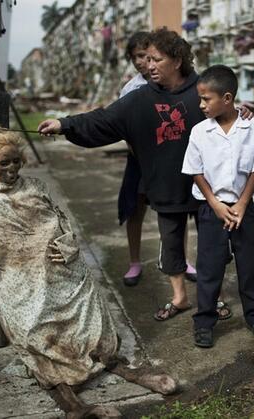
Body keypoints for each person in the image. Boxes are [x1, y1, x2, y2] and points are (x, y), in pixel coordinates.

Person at [0, 127, 177, 419]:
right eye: (4, 163)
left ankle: (124, 368)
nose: (12, 168)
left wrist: (67, 246)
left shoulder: (35, 187)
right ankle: (74, 406)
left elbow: (62, 223)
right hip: (21, 284)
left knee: (92, 326)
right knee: (39, 339)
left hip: (61, 272)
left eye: (15, 161)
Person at [38, 28, 239, 320]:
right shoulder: (139, 98)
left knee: (212, 246)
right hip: (165, 185)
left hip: (207, 188)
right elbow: (103, 118)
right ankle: (180, 298)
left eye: (157, 59)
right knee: (171, 244)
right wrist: (64, 123)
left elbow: (230, 114)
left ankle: (216, 297)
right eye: (147, 60)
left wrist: (242, 113)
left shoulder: (203, 90)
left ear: (177, 60)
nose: (149, 65)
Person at [182, 65, 254, 348]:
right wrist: (216, 205)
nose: (201, 105)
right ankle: (205, 321)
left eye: (206, 99)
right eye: (201, 99)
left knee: (249, 266)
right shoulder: (199, 131)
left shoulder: (251, 126)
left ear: (228, 98)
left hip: (243, 208)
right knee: (209, 268)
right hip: (212, 210)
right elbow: (196, 171)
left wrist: (243, 204)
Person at [118, 31, 198, 287]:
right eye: (138, 58)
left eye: (148, 56)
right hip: (140, 159)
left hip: (168, 158)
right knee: (135, 208)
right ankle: (134, 262)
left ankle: (181, 260)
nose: (143, 63)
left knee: (177, 208)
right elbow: (122, 126)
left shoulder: (177, 84)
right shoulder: (132, 90)